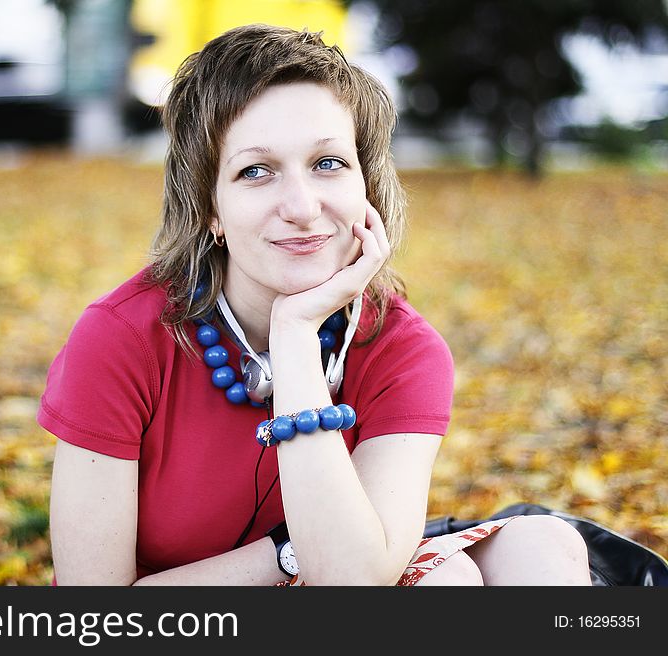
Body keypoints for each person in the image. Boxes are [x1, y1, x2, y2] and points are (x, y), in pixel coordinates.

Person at [39, 24, 592, 586]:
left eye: (328, 163)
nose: (303, 207)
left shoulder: (402, 349)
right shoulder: (122, 337)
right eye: (256, 171)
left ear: (367, 186)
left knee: (541, 546)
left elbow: (356, 576)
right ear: (210, 209)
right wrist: (285, 552)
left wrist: (296, 336)